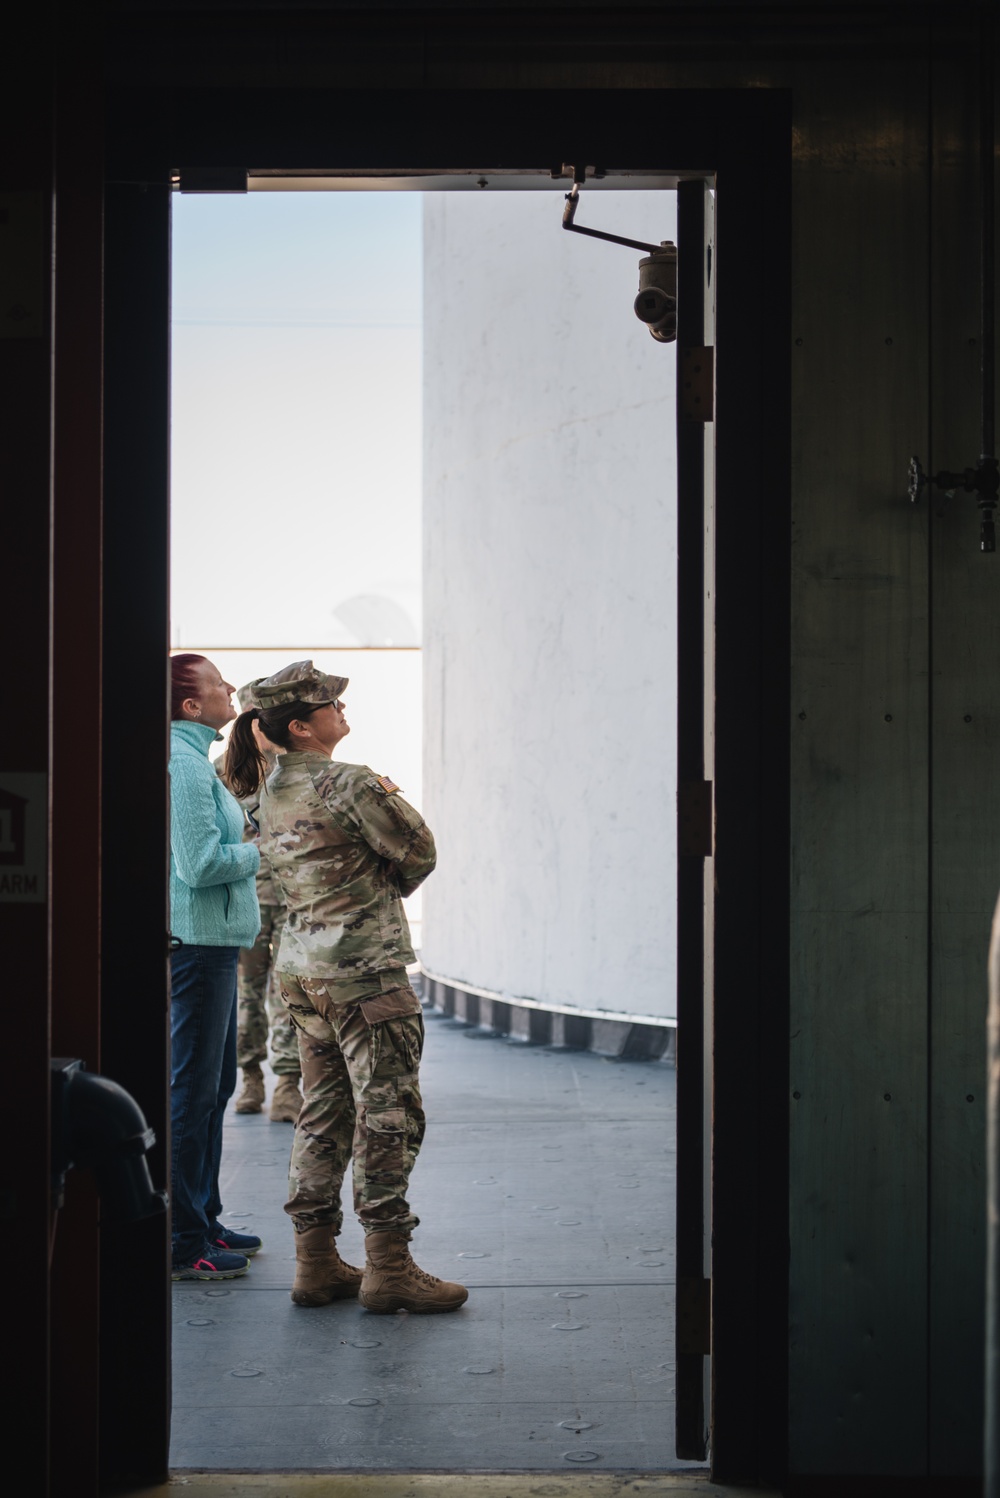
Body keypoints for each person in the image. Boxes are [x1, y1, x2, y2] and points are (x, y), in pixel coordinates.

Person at [224, 659, 467, 1314]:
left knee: (323, 1112)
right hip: (364, 976)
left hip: (303, 976)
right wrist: (374, 896)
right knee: (389, 1110)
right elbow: (419, 851)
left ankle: (315, 1261)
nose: (341, 711)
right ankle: (389, 1266)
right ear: (301, 726)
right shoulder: (349, 784)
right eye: (329, 705)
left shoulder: (264, 791)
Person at [168, 653, 263, 1281]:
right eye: (217, 684)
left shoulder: (194, 762)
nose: (230, 688)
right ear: (191, 707)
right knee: (193, 1094)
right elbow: (199, 865)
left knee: (215, 1090)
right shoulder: (180, 767)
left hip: (215, 947)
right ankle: (183, 1241)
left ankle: (205, 1217)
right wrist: (259, 850)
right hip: (200, 950)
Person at [224, 688, 303, 1123]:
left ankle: (288, 1084)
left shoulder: (296, 769)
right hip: (245, 900)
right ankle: (251, 1077)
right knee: (248, 995)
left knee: (289, 993)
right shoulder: (225, 773)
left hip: (291, 900)